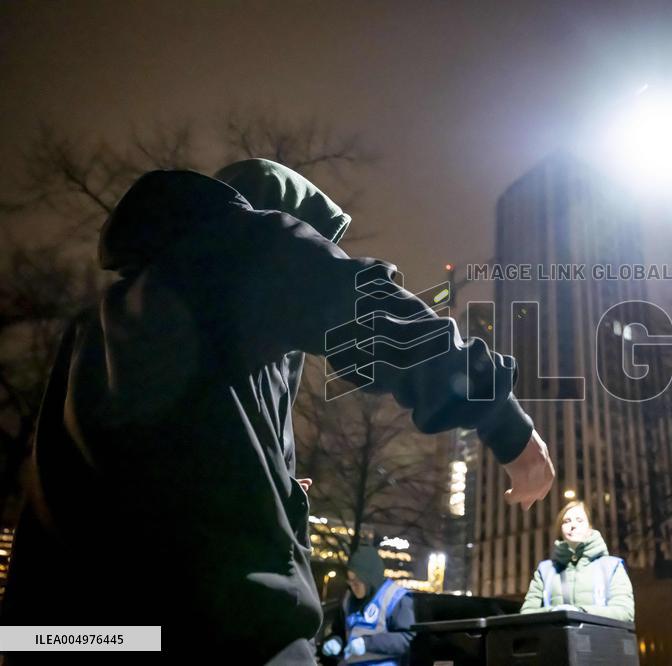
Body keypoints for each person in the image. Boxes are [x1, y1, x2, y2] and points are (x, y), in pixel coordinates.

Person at [2, 159, 554, 663]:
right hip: (221, 634)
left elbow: (62, 490)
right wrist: (506, 424)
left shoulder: (95, 323)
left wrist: (270, 481)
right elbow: (374, 313)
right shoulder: (244, 245)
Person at [520, 500, 634, 621]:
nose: (573, 525)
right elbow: (527, 612)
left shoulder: (612, 566)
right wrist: (555, 612)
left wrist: (580, 612)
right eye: (566, 521)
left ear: (590, 527)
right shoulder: (545, 570)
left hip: (600, 639)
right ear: (560, 529)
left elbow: (625, 613)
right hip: (556, 639)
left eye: (579, 520)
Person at [319, 546, 413, 665]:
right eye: (350, 581)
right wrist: (335, 641)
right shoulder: (348, 599)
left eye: (357, 581)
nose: (353, 586)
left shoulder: (395, 598)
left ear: (370, 579)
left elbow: (405, 639)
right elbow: (340, 631)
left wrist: (367, 644)